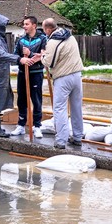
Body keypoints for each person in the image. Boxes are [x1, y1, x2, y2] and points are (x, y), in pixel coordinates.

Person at [0, 12, 33, 137]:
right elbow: (1, 54)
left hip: (0, 71)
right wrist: (18, 59)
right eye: (2, 25)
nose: (4, 28)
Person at [40, 17, 84, 150]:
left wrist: (42, 55)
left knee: (59, 109)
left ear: (48, 29)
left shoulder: (53, 41)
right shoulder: (70, 37)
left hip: (63, 78)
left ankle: (61, 140)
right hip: (77, 75)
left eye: (44, 30)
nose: (44, 32)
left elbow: (49, 62)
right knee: (77, 107)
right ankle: (77, 137)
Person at [10, 16, 47, 139]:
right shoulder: (21, 40)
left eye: (27, 24)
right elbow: (15, 56)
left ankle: (37, 126)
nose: (24, 26)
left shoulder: (43, 39)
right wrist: (22, 59)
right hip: (22, 73)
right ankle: (21, 125)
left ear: (34, 25)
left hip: (36, 73)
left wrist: (30, 55)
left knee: (36, 100)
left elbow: (44, 55)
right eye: (24, 24)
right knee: (21, 100)